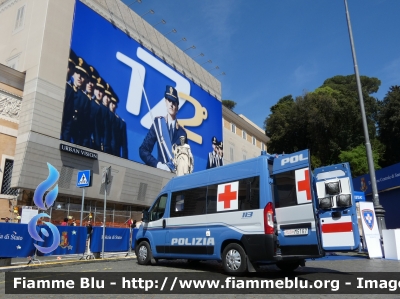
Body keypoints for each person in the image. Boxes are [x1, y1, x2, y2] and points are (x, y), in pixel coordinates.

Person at [139, 85, 187, 172]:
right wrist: (158, 165)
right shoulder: (158, 123)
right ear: (165, 102)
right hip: (160, 174)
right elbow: (143, 150)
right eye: (169, 100)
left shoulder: (182, 133)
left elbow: (185, 160)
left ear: (177, 107)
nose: (171, 104)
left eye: (174, 102)